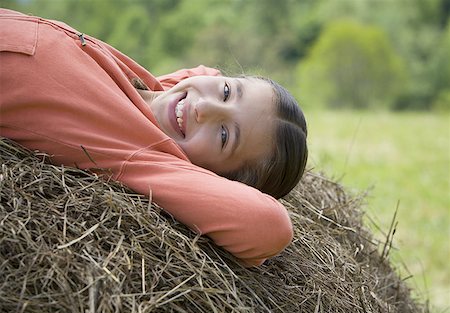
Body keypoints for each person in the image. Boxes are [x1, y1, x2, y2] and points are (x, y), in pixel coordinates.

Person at [0, 8, 308, 267]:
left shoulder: (139, 153)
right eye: (227, 92)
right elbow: (205, 75)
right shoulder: (144, 84)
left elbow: (269, 225)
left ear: (211, 177)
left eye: (224, 135)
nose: (203, 108)